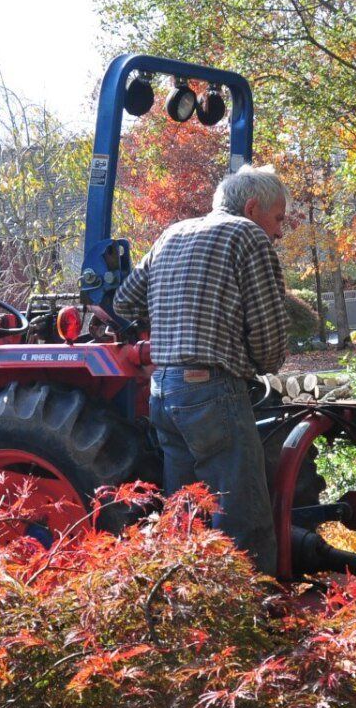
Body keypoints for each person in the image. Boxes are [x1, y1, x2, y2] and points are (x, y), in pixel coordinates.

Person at [114, 163, 290, 573]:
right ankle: (252, 623)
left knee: (186, 515)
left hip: (165, 394)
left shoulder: (170, 234)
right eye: (278, 218)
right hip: (213, 394)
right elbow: (268, 341)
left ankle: (192, 614)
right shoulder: (248, 235)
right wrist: (262, 362)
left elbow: (124, 302)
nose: (279, 232)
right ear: (252, 206)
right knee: (242, 517)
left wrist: (172, 313)